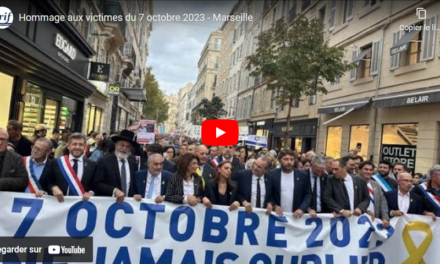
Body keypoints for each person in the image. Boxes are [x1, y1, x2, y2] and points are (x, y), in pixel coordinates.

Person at [48, 133, 97, 202]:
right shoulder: (56, 162)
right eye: (74, 144)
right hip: (58, 205)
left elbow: (96, 184)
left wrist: (91, 192)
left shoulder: (92, 164)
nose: (77, 147)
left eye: (80, 144)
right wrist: (53, 187)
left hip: (81, 205)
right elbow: (48, 180)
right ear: (68, 146)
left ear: (85, 147)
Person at [94, 130, 139, 202]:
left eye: (127, 146)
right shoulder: (104, 161)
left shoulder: (133, 163)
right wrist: (114, 190)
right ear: (116, 145)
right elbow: (97, 184)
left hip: (128, 205)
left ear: (130, 149)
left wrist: (135, 195)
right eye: (122, 145)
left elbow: (134, 185)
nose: (124, 148)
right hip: (109, 203)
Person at [269, 150, 312, 218]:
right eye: (286, 159)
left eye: (291, 159)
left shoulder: (302, 175)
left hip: (296, 217)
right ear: (280, 161)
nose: (289, 162)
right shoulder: (272, 174)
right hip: (277, 216)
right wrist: (275, 206)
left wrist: (301, 209)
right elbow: (268, 194)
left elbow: (308, 195)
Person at [358, 161, 390, 228]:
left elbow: (382, 201)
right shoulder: (353, 183)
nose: (368, 172)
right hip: (359, 220)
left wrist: (385, 218)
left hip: (374, 220)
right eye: (366, 169)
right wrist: (365, 211)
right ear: (359, 170)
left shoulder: (376, 184)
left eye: (370, 170)